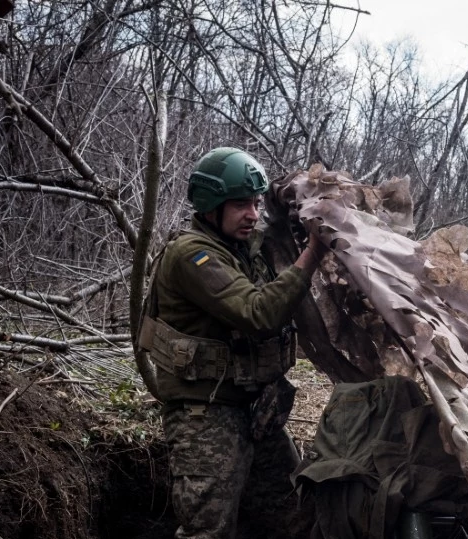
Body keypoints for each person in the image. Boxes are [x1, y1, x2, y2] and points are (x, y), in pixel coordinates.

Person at [137, 147, 326, 539]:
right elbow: (258, 313)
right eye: (241, 205)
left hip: (256, 408)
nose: (253, 215)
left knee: (295, 519)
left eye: (257, 204)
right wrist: (311, 254)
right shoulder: (192, 255)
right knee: (209, 530)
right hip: (205, 415)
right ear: (211, 206)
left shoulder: (243, 249)